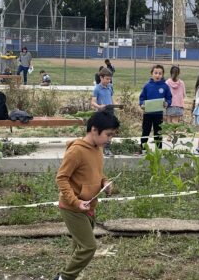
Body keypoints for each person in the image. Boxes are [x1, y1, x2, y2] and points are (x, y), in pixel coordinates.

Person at [54, 110, 120, 280]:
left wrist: (104, 182)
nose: (109, 139)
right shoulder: (76, 151)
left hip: (88, 205)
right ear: (94, 129)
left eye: (112, 135)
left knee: (79, 247)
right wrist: (75, 202)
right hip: (72, 208)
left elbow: (96, 172)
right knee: (89, 247)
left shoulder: (97, 148)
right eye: (108, 134)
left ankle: (70, 276)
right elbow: (61, 178)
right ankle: (64, 278)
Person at [138, 64, 172, 154]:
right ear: (151, 74)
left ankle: (159, 150)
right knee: (145, 131)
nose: (157, 75)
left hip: (158, 114)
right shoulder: (147, 86)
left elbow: (169, 98)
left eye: (160, 73)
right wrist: (142, 104)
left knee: (158, 133)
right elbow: (141, 98)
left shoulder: (165, 86)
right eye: (155, 73)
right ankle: (143, 148)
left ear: (163, 74)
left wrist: (167, 103)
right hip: (148, 114)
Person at [91, 67, 115, 157]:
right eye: (107, 79)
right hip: (102, 112)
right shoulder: (97, 88)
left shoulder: (110, 87)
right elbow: (93, 102)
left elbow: (112, 99)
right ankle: (98, 147)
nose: (108, 81)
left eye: (110, 79)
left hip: (110, 111)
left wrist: (117, 105)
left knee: (111, 130)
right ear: (101, 77)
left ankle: (107, 148)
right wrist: (99, 106)